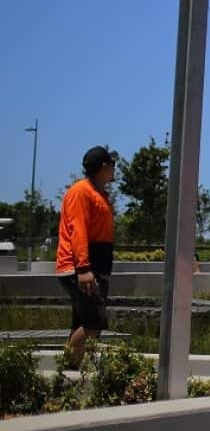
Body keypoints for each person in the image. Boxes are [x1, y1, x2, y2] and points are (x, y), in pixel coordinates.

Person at [55, 146, 117, 368]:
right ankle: (67, 371)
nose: (114, 169)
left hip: (94, 266)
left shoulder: (98, 193)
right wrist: (83, 268)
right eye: (112, 164)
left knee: (82, 322)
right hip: (80, 268)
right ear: (103, 166)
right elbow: (77, 229)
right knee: (94, 323)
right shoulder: (81, 191)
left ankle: (70, 373)